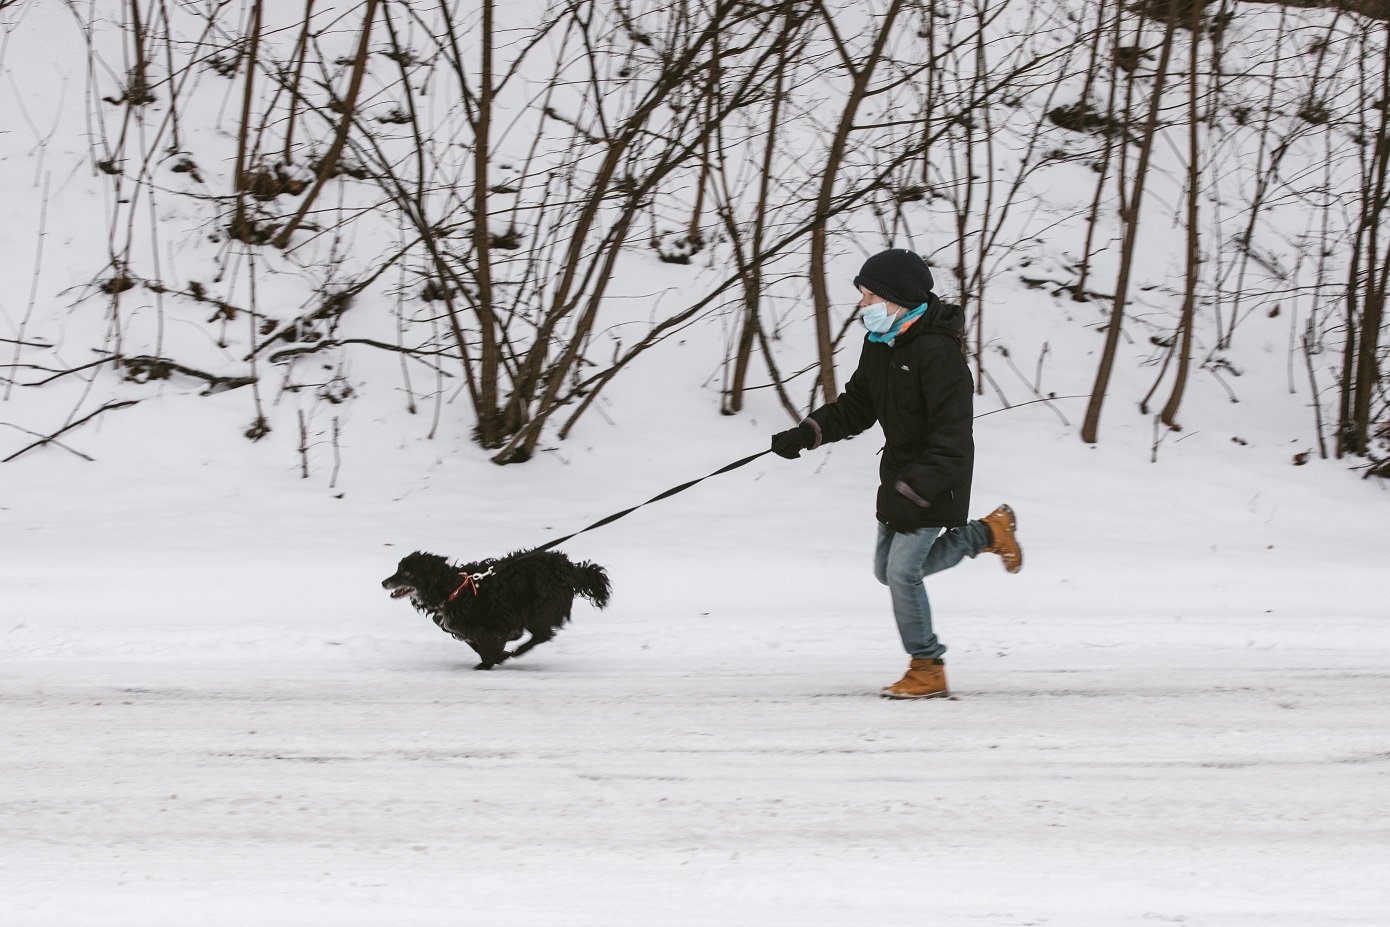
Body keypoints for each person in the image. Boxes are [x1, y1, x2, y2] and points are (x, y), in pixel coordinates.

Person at [770, 248, 1022, 700]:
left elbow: (953, 438)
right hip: (899, 475)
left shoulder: (938, 354)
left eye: (869, 296)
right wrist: (807, 433)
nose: (862, 304)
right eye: (862, 295)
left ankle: (927, 666)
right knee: (886, 571)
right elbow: (857, 405)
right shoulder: (881, 344)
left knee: (903, 573)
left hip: (935, 478)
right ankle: (987, 533)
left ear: (898, 299)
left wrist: (916, 487)